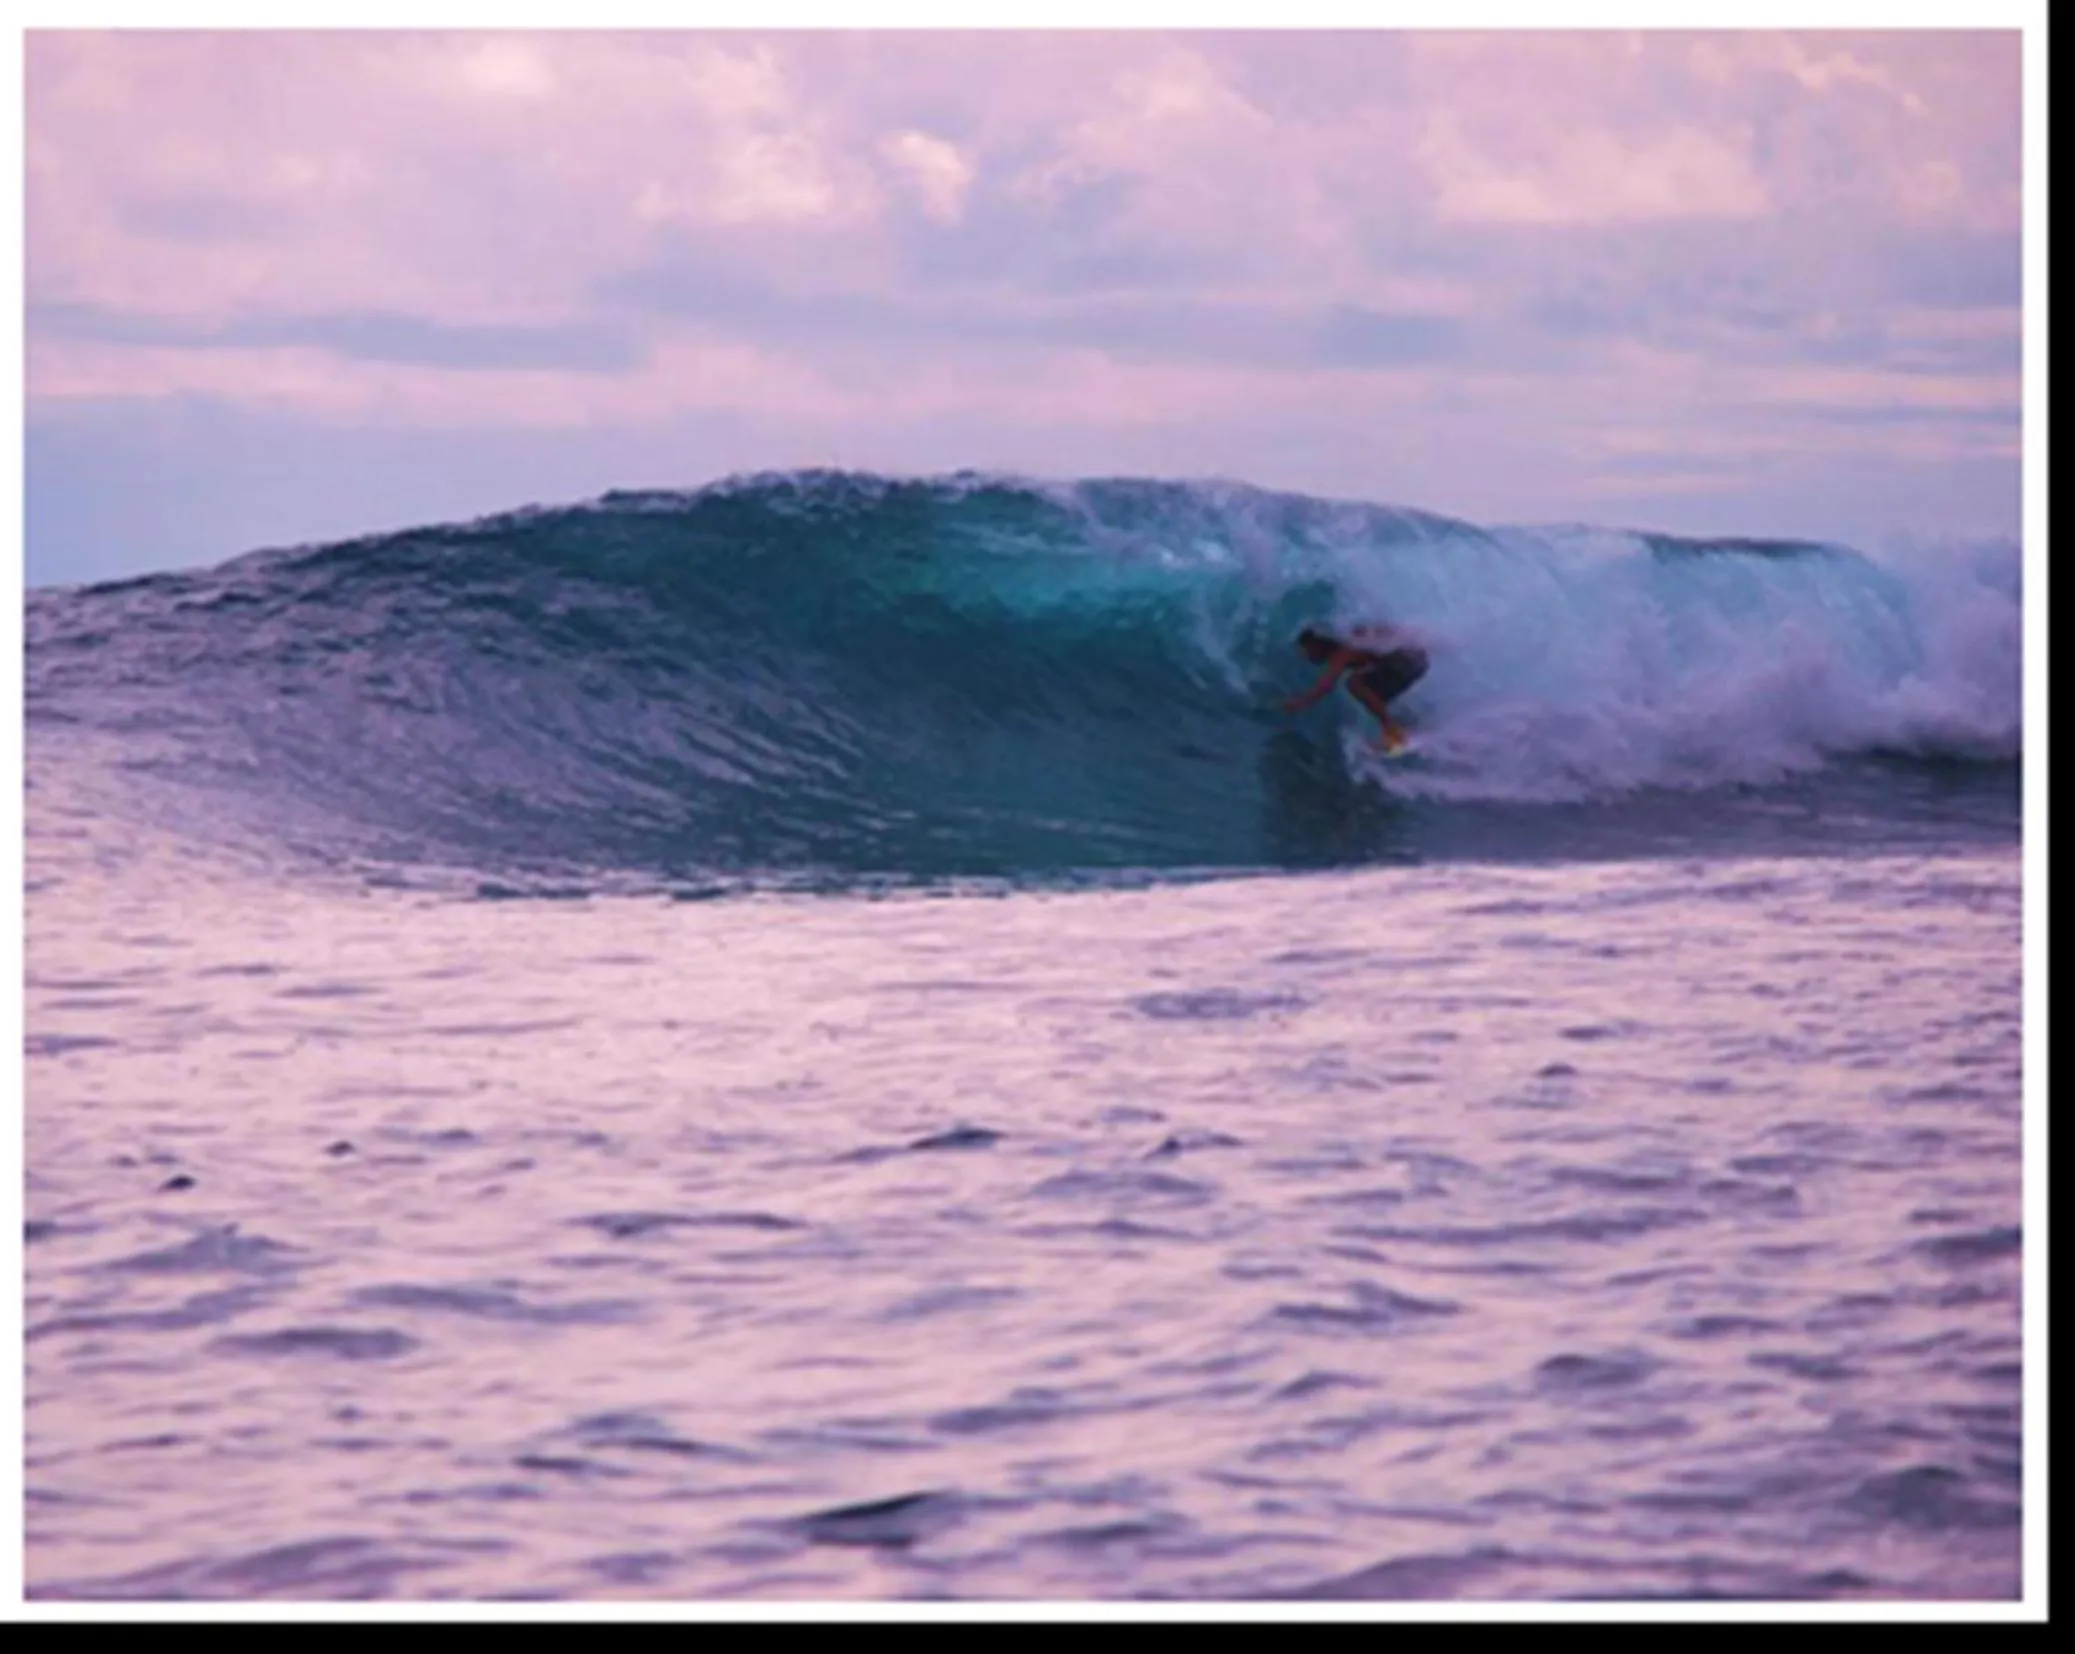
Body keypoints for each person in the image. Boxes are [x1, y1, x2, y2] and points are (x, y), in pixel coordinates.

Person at [1282, 623, 1428, 752]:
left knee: (1354, 683)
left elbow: (1325, 685)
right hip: (1417, 662)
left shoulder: (1343, 652)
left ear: (1317, 645)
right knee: (1374, 696)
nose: (1307, 657)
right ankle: (1404, 730)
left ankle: (1392, 731)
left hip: (1409, 660)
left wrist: (1299, 703)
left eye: (1307, 651)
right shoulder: (1353, 644)